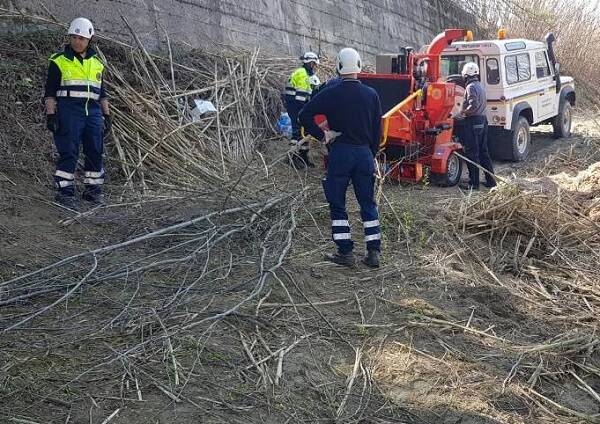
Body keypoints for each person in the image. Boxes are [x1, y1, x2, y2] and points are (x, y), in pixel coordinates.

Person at [299, 48, 383, 268]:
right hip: (364, 153)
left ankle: (345, 253)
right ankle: (373, 252)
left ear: (338, 66)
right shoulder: (371, 95)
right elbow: (378, 132)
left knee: (337, 203)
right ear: (358, 66)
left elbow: (303, 115)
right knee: (368, 203)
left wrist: (322, 135)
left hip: (341, 153)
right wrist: (369, 154)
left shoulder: (331, 92)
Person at [44, 17, 111, 209]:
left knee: (95, 151)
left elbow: (102, 93)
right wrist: (51, 114)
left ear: (89, 39)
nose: (76, 41)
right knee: (69, 151)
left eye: (81, 38)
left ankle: (93, 192)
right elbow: (49, 92)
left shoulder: (97, 63)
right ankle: (65, 193)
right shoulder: (59, 61)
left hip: (94, 113)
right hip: (69, 111)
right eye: (73, 37)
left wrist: (107, 116)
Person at [453, 62, 496, 190]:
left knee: (472, 153)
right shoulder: (480, 86)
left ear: (466, 75)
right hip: (483, 121)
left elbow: (473, 105)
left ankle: (474, 183)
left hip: (473, 122)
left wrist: (462, 113)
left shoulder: (470, 87)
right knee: (484, 153)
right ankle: (491, 181)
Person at [283, 51, 320, 168]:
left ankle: (304, 158)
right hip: (296, 106)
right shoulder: (302, 75)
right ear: (310, 63)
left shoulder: (308, 75)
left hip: (297, 106)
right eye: (314, 64)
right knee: (297, 132)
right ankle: (293, 159)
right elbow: (300, 98)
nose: (315, 67)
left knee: (306, 132)